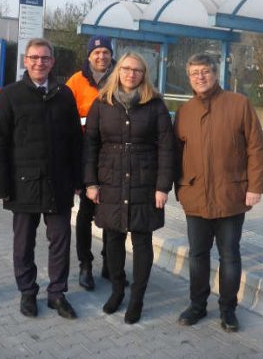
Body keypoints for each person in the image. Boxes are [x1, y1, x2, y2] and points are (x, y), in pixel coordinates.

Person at [0, 38, 82, 320]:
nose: (39, 62)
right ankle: (28, 292)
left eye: (45, 58)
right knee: (23, 242)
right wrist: (1, 185)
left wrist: (77, 179)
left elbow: (76, 141)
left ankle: (57, 294)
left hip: (59, 183)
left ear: (52, 62)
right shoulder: (10, 95)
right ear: (25, 61)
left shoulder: (65, 95)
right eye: (34, 58)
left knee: (61, 240)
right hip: (23, 183)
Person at [174, 53, 263, 333]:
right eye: (194, 73)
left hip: (231, 196)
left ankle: (228, 309)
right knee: (197, 255)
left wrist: (255, 187)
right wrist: (179, 187)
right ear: (189, 78)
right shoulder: (184, 112)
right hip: (196, 197)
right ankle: (197, 305)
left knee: (229, 255)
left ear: (215, 74)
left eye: (205, 71)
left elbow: (256, 147)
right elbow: (175, 153)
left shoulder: (239, 104)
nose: (200, 77)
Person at [84, 52, 174, 324]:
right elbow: (90, 145)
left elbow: (167, 148)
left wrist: (162, 187)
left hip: (144, 182)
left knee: (142, 240)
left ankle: (137, 298)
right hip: (110, 181)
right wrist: (90, 182)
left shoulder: (155, 105)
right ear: (117, 71)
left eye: (137, 70)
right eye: (126, 68)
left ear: (144, 74)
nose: (130, 74)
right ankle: (117, 290)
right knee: (112, 238)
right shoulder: (102, 103)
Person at [66, 35, 117, 291]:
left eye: (106, 52)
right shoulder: (75, 82)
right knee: (85, 215)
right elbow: (66, 123)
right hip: (86, 159)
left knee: (112, 215)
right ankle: (85, 265)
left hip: (113, 160)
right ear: (88, 56)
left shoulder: (121, 78)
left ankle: (111, 264)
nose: (101, 56)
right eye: (96, 53)